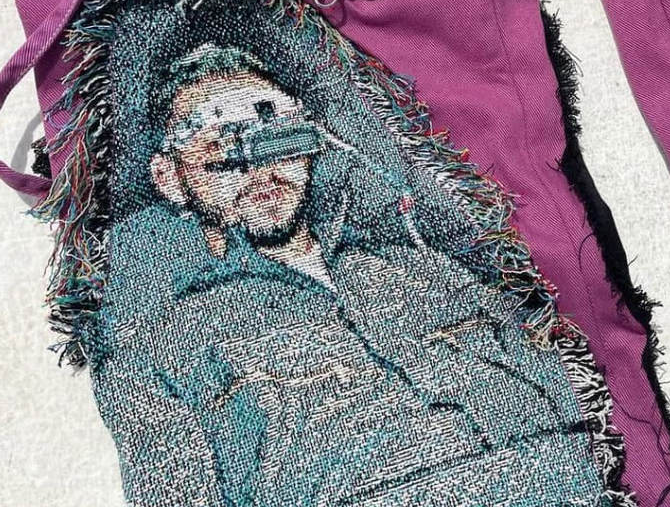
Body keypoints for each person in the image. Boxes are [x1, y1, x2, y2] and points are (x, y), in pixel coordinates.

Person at [92, 44, 605, 507]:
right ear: (170, 178)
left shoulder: (419, 269)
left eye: (276, 137)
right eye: (220, 152)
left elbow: (561, 385)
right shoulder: (160, 347)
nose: (261, 170)